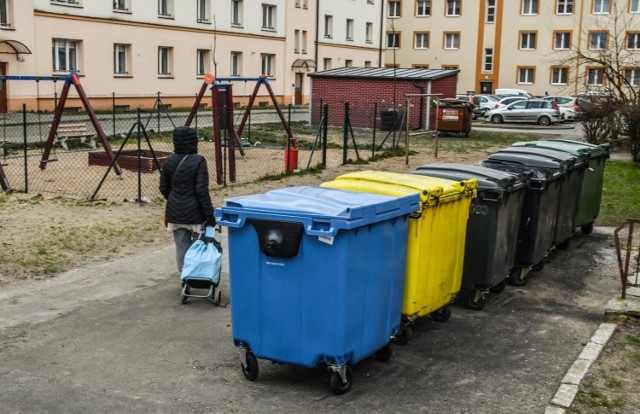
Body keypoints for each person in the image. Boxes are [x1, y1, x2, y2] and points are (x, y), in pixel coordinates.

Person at [160, 126, 215, 273]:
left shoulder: (169, 160)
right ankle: (196, 276)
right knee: (198, 246)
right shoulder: (199, 161)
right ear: (194, 141)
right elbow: (201, 191)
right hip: (196, 213)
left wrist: (173, 199)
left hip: (174, 212)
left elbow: (163, 188)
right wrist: (210, 215)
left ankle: (184, 277)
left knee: (181, 247)